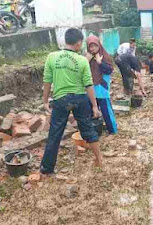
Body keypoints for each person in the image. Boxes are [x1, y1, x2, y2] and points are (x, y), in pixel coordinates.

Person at [40, 28, 102, 174]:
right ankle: (99, 159)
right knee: (87, 128)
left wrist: (44, 101)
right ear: (79, 43)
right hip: (80, 98)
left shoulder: (52, 56)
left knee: (55, 133)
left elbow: (47, 81)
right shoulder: (82, 60)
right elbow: (88, 84)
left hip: (61, 99)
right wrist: (94, 106)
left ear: (65, 40)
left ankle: (47, 169)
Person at [86, 35, 118, 135]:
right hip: (90, 87)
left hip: (101, 87)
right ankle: (94, 131)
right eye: (90, 46)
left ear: (99, 45)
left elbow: (109, 70)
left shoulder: (104, 55)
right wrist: (86, 60)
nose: (93, 48)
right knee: (91, 110)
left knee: (106, 110)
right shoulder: (87, 57)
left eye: (95, 46)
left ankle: (112, 130)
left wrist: (100, 63)